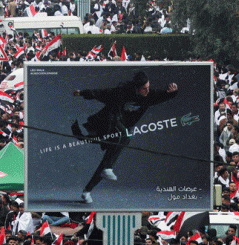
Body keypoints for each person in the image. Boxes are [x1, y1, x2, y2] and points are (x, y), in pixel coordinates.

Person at [71, 70, 179, 203]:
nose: (147, 91)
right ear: (136, 89)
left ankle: (87, 191)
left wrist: (172, 92)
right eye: (144, 89)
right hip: (108, 123)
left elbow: (163, 95)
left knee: (108, 162)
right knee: (126, 136)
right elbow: (102, 93)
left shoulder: (149, 96)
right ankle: (107, 168)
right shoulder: (121, 93)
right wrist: (82, 92)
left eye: (148, 87)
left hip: (120, 132)